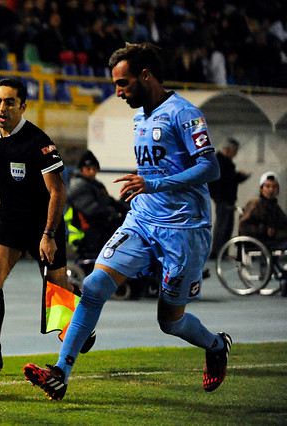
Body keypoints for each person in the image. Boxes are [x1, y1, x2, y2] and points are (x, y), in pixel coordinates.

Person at [24, 42, 231, 400]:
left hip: (184, 229)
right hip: (142, 221)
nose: (118, 92)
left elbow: (209, 167)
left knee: (170, 322)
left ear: (146, 76)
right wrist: (143, 182)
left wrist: (154, 183)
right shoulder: (140, 117)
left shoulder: (185, 113)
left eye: (123, 84)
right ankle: (61, 372)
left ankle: (215, 346)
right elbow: (159, 163)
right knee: (93, 288)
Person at [0, 78, 95, 372]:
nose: (2, 108)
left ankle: (80, 313)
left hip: (43, 224)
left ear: (23, 106)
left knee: (57, 291)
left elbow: (58, 192)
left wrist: (49, 234)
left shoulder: (38, 143)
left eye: (10, 102)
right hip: (10, 222)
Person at [65, 150, 129, 260]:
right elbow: (91, 209)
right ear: (81, 169)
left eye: (94, 169)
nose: (92, 172)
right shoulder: (78, 185)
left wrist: (124, 208)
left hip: (97, 224)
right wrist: (113, 213)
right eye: (88, 169)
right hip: (86, 230)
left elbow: (108, 200)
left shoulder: (95, 184)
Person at [208, 138, 249, 258]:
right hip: (223, 198)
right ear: (229, 150)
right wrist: (239, 176)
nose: (236, 153)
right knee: (222, 225)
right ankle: (217, 252)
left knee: (227, 226)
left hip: (225, 198)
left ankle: (222, 252)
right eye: (235, 150)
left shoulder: (224, 161)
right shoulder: (221, 161)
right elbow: (226, 180)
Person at [238, 172, 287, 247]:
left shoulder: (275, 207)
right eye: (267, 186)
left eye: (274, 187)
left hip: (272, 241)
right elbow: (243, 227)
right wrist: (264, 230)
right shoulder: (254, 204)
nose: (271, 190)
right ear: (261, 189)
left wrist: (276, 232)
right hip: (259, 243)